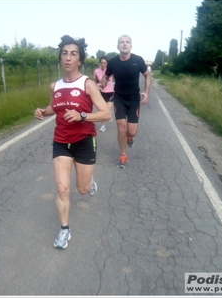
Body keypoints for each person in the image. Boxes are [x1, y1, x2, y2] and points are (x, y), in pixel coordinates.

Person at [35, 35, 111, 249]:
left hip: (85, 140)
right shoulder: (55, 86)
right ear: (60, 59)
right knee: (62, 189)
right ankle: (64, 230)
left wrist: (82, 116)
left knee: (83, 190)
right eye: (64, 53)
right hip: (61, 141)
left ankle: (90, 182)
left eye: (73, 54)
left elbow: (105, 114)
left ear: (80, 60)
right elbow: (53, 108)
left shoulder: (87, 84)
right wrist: (43, 111)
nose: (68, 57)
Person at [99, 35, 151, 169]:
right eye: (122, 42)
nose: (124, 44)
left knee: (131, 131)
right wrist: (102, 85)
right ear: (118, 46)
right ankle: (123, 155)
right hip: (119, 99)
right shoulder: (113, 62)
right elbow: (106, 77)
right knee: (121, 128)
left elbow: (147, 75)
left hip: (134, 99)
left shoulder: (137, 60)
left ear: (131, 46)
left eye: (127, 42)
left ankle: (130, 137)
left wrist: (146, 91)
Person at [93, 56, 114, 132]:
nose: (103, 64)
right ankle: (103, 126)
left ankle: (109, 114)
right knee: (102, 111)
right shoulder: (96, 71)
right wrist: (96, 86)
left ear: (107, 64)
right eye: (101, 63)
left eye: (104, 63)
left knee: (107, 111)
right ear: (99, 63)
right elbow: (95, 81)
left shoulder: (110, 70)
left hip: (110, 92)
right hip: (101, 93)